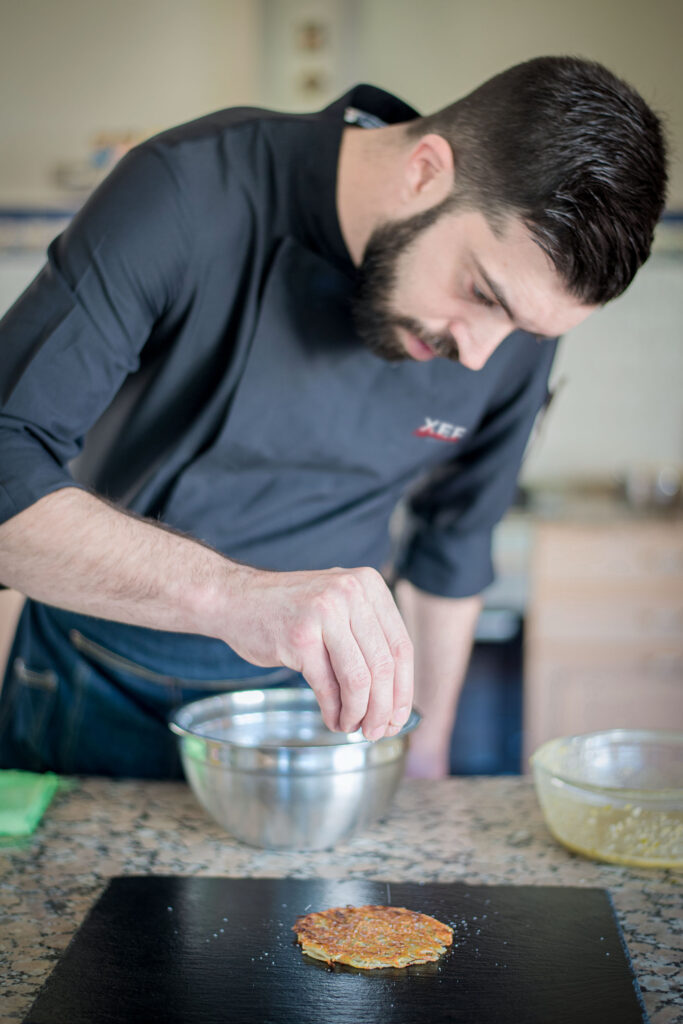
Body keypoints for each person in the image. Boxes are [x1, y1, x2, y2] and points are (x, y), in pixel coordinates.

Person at [0, 56, 668, 779]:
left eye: (526, 332)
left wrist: (427, 753)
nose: (477, 359)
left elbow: (454, 543)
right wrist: (236, 598)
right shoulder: (188, 188)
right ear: (423, 171)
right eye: (481, 294)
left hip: (322, 711)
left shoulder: (511, 321)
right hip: (90, 678)